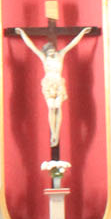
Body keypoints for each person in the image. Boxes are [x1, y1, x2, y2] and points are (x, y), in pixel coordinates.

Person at [12, 25, 92, 154]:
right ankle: (53, 133)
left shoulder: (60, 55)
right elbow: (31, 46)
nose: (51, 53)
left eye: (52, 51)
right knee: (51, 107)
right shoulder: (44, 58)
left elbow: (72, 44)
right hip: (49, 84)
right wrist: (22, 34)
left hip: (58, 83)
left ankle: (56, 133)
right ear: (46, 52)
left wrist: (82, 33)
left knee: (58, 107)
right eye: (49, 52)